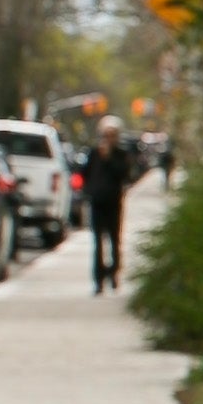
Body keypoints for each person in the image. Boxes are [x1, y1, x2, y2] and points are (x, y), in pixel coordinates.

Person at [80, 114, 132, 292]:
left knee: (114, 241)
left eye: (112, 135)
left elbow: (124, 175)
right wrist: (88, 190)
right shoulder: (94, 153)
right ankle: (98, 279)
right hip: (97, 202)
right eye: (105, 134)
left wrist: (109, 158)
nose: (108, 138)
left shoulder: (121, 155)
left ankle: (113, 273)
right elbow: (84, 173)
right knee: (98, 243)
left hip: (113, 203)